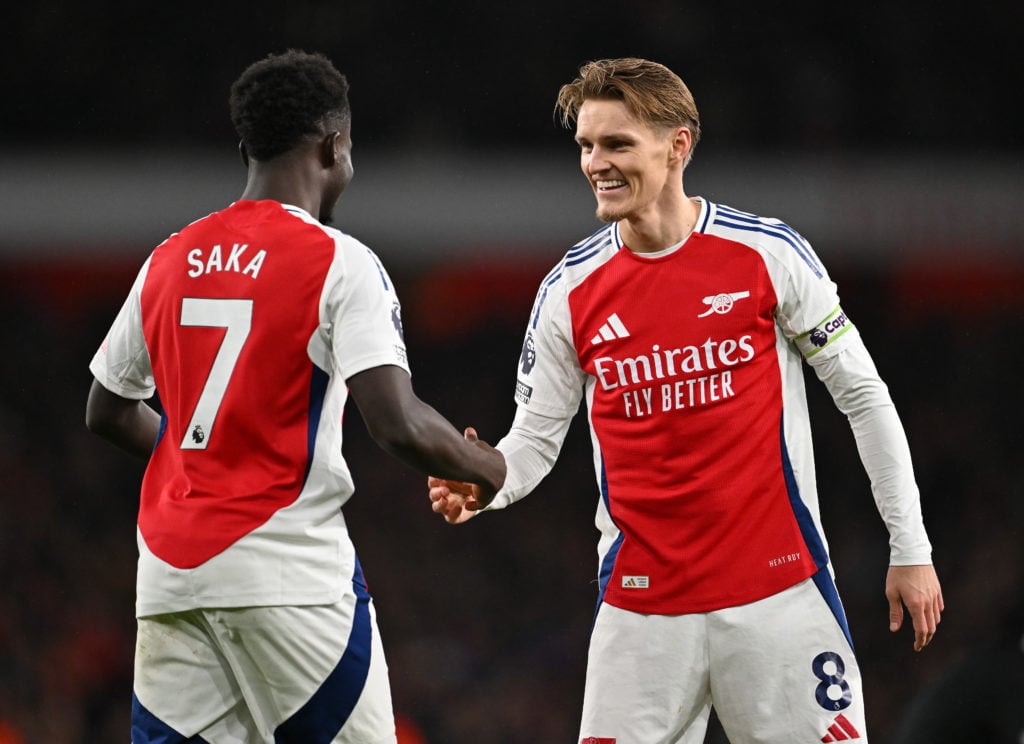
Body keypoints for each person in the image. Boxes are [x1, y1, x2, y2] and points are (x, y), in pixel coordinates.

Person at [429, 57, 944, 743]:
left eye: (616, 144)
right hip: (641, 616)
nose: (595, 164)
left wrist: (910, 546)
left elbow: (865, 398)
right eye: (586, 145)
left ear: (678, 146)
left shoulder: (767, 255)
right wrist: (486, 480)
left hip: (780, 599)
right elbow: (534, 441)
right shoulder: (568, 292)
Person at [86, 49, 504, 744]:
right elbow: (396, 422)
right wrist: (489, 468)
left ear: (246, 144)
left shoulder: (170, 256)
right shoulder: (340, 262)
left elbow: (105, 408)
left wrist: (203, 463)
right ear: (334, 145)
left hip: (169, 578)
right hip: (289, 576)